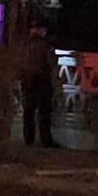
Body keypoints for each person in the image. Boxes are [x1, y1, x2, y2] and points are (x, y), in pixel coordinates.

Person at [18, 18, 59, 148]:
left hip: (26, 78)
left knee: (28, 109)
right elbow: (51, 62)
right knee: (44, 110)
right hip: (42, 79)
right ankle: (45, 139)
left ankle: (28, 138)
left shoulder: (24, 44)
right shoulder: (45, 44)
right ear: (42, 30)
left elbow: (19, 61)